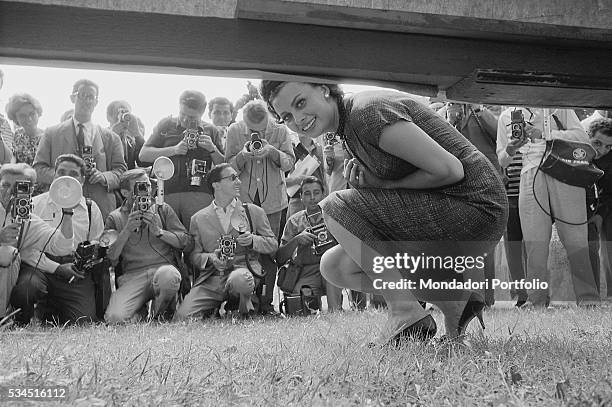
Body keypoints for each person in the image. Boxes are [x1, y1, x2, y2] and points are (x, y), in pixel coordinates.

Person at [262, 81, 507, 342]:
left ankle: (405, 311)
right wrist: (370, 186)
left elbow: (450, 170)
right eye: (286, 116)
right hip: (445, 213)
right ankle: (453, 302)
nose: (298, 119)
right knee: (335, 266)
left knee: (335, 207)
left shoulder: (367, 112)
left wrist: (382, 184)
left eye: (300, 103)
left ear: (323, 89)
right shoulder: (348, 125)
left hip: (476, 209)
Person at [497, 107, 599, 308]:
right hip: (529, 173)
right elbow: (503, 159)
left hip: (564, 171)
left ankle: (588, 299)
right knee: (535, 243)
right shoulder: (507, 115)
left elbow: (582, 138)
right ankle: (536, 301)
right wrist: (510, 148)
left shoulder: (557, 106)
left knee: (575, 238)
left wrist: (545, 134)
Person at [174, 164, 278, 319]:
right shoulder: (198, 218)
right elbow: (194, 256)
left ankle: (242, 308)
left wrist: (252, 240)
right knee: (182, 316)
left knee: (240, 279)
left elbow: (272, 244)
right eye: (232, 178)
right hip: (213, 277)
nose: (238, 182)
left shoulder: (254, 212)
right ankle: (217, 309)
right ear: (216, 185)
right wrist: (211, 258)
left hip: (243, 271)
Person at [11, 155, 103, 324]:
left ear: (82, 180)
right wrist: (57, 268)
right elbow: (25, 249)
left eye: (73, 173)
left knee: (83, 321)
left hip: (74, 271)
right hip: (39, 266)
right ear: (54, 175)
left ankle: (50, 309)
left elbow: (95, 242)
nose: (66, 177)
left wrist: (86, 260)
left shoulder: (91, 208)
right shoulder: (35, 203)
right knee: (26, 288)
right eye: (61, 172)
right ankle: (21, 321)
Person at [225, 99, 296, 313]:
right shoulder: (234, 131)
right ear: (244, 120)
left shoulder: (281, 130)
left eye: (261, 130)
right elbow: (227, 167)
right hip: (243, 202)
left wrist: (273, 152)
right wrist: (243, 156)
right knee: (243, 250)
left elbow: (290, 163)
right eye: (252, 130)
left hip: (273, 203)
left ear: (268, 118)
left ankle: (265, 303)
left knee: (268, 252)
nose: (257, 134)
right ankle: (244, 300)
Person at [32, 79, 127, 219]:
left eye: (91, 97)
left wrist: (103, 177)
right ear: (72, 98)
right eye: (82, 95)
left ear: (96, 102)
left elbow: (121, 172)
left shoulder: (111, 138)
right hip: (59, 205)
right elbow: (38, 169)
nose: (86, 101)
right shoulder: (51, 133)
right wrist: (65, 176)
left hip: (99, 208)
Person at [104, 169, 189, 323]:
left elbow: (184, 241)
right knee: (115, 318)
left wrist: (160, 232)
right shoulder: (115, 217)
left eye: (148, 186)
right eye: (140, 187)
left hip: (163, 271)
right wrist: (127, 230)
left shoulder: (162, 209)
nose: (146, 191)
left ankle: (160, 314)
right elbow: (111, 258)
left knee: (168, 277)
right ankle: (140, 313)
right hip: (133, 276)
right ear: (125, 192)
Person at [1, 164, 76, 325]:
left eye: (17, 188)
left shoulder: (29, 221)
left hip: (10, 273)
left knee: (11, 257)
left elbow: (61, 247)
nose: (9, 192)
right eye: (5, 185)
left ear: (29, 190)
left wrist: (68, 212)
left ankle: (8, 319)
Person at [139, 90, 225, 228]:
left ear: (202, 111)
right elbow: (143, 154)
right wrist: (173, 150)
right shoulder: (165, 125)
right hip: (167, 193)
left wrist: (212, 149)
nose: (185, 120)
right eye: (182, 114)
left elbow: (224, 167)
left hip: (200, 195)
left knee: (197, 240)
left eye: (192, 117)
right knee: (167, 240)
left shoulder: (211, 130)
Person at [277, 176, 341, 310]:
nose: (312, 197)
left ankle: (336, 311)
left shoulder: (335, 216)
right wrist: (296, 240)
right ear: (301, 197)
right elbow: (280, 258)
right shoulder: (294, 221)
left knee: (332, 273)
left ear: (324, 194)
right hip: (306, 271)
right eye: (307, 193)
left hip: (331, 267)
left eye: (316, 192)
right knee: (300, 306)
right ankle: (312, 305)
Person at [585, 118, 612, 298]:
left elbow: (608, 192)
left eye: (608, 146)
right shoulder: (580, 153)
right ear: (588, 137)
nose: (601, 150)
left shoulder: (609, 161)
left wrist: (600, 214)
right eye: (597, 143)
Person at [106, 100, 146, 170]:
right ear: (109, 117)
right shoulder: (102, 135)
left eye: (126, 113)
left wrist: (137, 134)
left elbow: (143, 162)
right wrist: (114, 133)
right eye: (119, 112)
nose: (122, 116)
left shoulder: (130, 140)